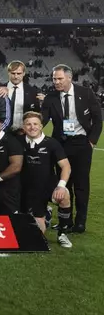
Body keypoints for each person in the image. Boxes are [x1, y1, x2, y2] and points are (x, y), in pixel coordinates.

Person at [41, 64, 102, 233]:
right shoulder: (51, 97)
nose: (56, 82)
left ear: (69, 78)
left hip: (82, 144)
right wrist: (30, 129)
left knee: (82, 184)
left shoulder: (85, 93)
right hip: (60, 144)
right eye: (54, 79)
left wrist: (91, 141)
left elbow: (98, 119)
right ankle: (65, 222)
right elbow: (43, 120)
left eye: (60, 78)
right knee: (64, 183)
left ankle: (80, 222)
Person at [20, 112, 72, 248]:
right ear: (23, 127)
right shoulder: (18, 142)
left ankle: (62, 233)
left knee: (65, 195)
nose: (32, 127)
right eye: (28, 124)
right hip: (30, 191)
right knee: (39, 234)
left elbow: (66, 166)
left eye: (35, 124)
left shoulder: (51, 143)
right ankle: (45, 214)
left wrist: (61, 186)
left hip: (48, 187)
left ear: (41, 126)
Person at [0, 61, 42, 135]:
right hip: (2, 132)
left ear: (24, 73)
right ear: (8, 73)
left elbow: (36, 113)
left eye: (19, 73)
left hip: (24, 133)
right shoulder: (0, 90)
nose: (16, 76)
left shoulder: (32, 91)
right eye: (13, 73)